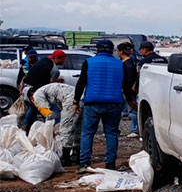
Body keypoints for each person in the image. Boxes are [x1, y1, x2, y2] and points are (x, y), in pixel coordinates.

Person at [74, 40, 134, 173]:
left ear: (97, 50)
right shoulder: (120, 64)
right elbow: (126, 86)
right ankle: (110, 164)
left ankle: (84, 163)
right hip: (114, 103)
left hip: (92, 102)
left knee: (88, 133)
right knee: (111, 133)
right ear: (112, 50)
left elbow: (81, 83)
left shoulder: (88, 62)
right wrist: (130, 101)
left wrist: (75, 101)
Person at [31, 83, 81, 165]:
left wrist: (49, 126)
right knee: (77, 127)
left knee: (65, 128)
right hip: (79, 97)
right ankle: (77, 154)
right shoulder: (47, 88)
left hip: (70, 100)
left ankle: (65, 157)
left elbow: (48, 113)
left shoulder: (36, 95)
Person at [117, 42, 139, 137]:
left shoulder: (127, 64)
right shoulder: (132, 61)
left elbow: (129, 80)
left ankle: (135, 130)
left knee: (132, 110)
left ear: (121, 51)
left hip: (128, 91)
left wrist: (128, 92)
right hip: (127, 90)